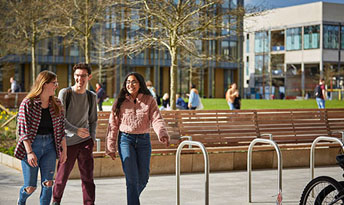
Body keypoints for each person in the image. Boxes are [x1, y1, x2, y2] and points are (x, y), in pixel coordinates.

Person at [106, 72, 170, 205]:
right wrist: (110, 146)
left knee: (143, 178)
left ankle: (132, 198)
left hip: (143, 141)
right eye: (128, 82)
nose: (131, 84)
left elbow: (156, 118)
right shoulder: (120, 101)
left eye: (134, 81)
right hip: (125, 141)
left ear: (140, 83)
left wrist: (162, 133)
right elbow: (113, 125)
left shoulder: (149, 100)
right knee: (131, 179)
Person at [14, 70, 67, 205]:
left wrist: (64, 151)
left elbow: (61, 129)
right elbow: (23, 131)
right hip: (32, 146)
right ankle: (21, 199)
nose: (56, 86)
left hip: (50, 146)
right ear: (44, 84)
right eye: (54, 83)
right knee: (31, 187)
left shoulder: (57, 104)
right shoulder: (28, 103)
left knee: (48, 183)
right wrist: (30, 152)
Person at [53, 63, 98, 205]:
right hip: (67, 143)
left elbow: (93, 120)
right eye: (77, 75)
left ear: (89, 77)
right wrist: (76, 130)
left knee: (88, 178)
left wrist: (92, 138)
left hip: (85, 143)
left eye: (83, 76)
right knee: (61, 178)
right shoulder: (65, 93)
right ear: (74, 76)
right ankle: (56, 201)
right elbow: (61, 119)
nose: (80, 79)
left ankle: (89, 203)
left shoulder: (91, 96)